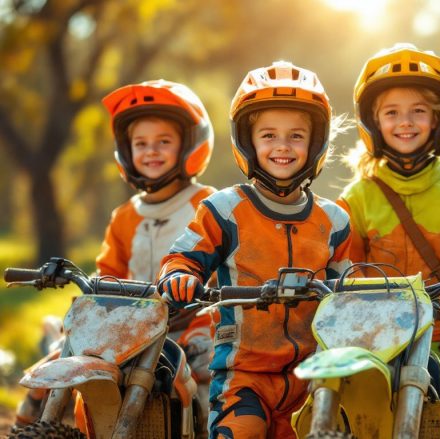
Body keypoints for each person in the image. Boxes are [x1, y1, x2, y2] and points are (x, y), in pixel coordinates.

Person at [157, 61, 352, 439]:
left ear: (316, 143)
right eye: (268, 135)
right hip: (243, 374)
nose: (282, 146)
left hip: (316, 377)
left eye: (297, 136)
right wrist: (179, 275)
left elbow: (349, 287)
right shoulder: (225, 209)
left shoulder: (335, 220)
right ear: (247, 141)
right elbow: (183, 257)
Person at [14, 79, 217, 427]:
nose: (151, 150)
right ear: (126, 150)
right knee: (56, 366)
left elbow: (226, 261)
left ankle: (208, 427)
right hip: (133, 326)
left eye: (164, 141)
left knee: (214, 373)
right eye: (141, 143)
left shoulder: (209, 204)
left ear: (190, 144)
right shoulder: (124, 216)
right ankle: (34, 425)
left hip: (193, 321)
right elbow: (109, 271)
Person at [338, 43, 440, 439]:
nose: (404, 122)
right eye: (392, 112)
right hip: (372, 349)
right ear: (373, 122)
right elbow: (339, 278)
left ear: (438, 120)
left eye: (418, 111)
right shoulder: (356, 198)